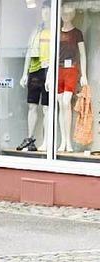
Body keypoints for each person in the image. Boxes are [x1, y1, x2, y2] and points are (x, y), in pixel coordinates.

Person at [18, 1, 51, 152]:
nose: (45, 13)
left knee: (46, 108)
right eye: (43, 10)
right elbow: (29, 52)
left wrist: (51, 74)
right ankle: (30, 138)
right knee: (32, 106)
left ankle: (47, 141)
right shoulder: (36, 30)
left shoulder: (54, 31)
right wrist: (25, 73)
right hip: (35, 70)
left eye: (48, 10)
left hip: (48, 70)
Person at [57, 4, 87, 152]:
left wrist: (84, 75)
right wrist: (50, 75)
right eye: (63, 14)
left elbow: (83, 54)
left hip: (72, 69)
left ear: (73, 15)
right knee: (60, 105)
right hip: (58, 70)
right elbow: (53, 55)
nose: (65, 17)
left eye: (68, 14)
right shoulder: (56, 32)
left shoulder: (77, 33)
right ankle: (63, 141)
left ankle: (68, 141)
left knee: (66, 102)